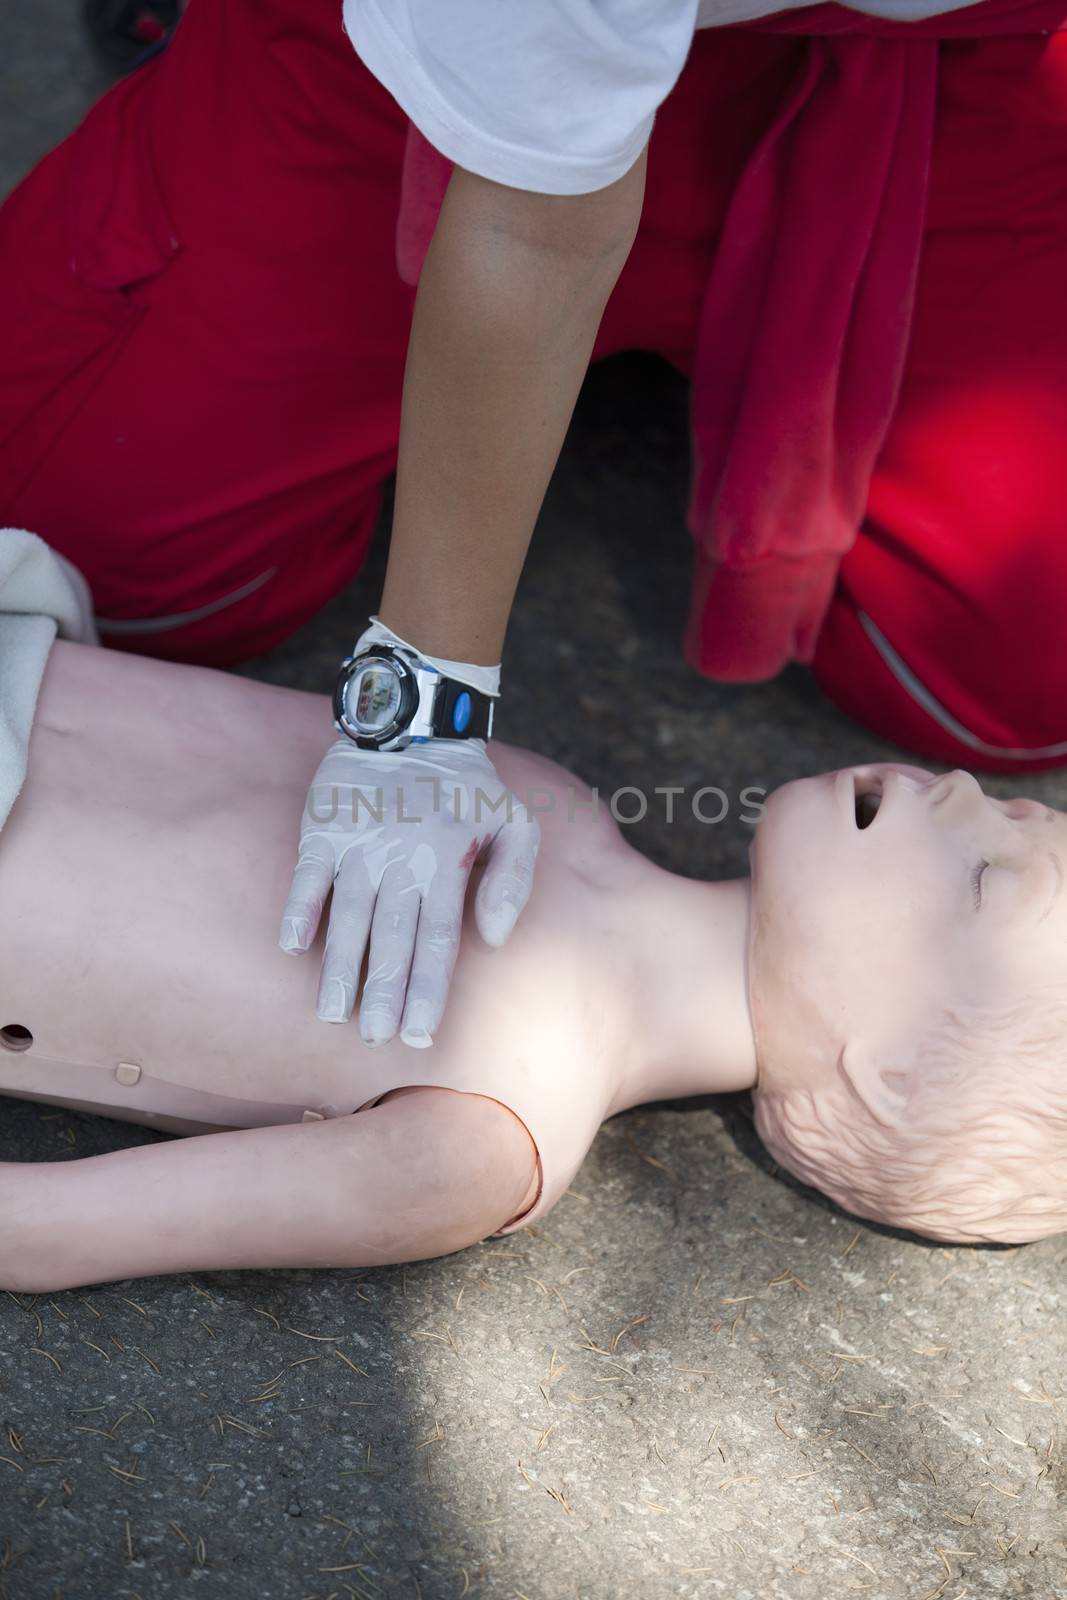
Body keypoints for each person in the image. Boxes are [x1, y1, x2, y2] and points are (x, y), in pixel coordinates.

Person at [3, 1, 1067, 1058]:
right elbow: (533, 230)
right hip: (440, 81)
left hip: (933, 67)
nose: (983, 805)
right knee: (89, 553)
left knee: (1008, 686)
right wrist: (416, 707)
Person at [1, 625, 1065, 1295]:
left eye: (984, 878)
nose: (964, 789)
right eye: (1010, 807)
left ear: (894, 1067)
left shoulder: (494, 1136)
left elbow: (42, 1233)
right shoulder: (554, 798)